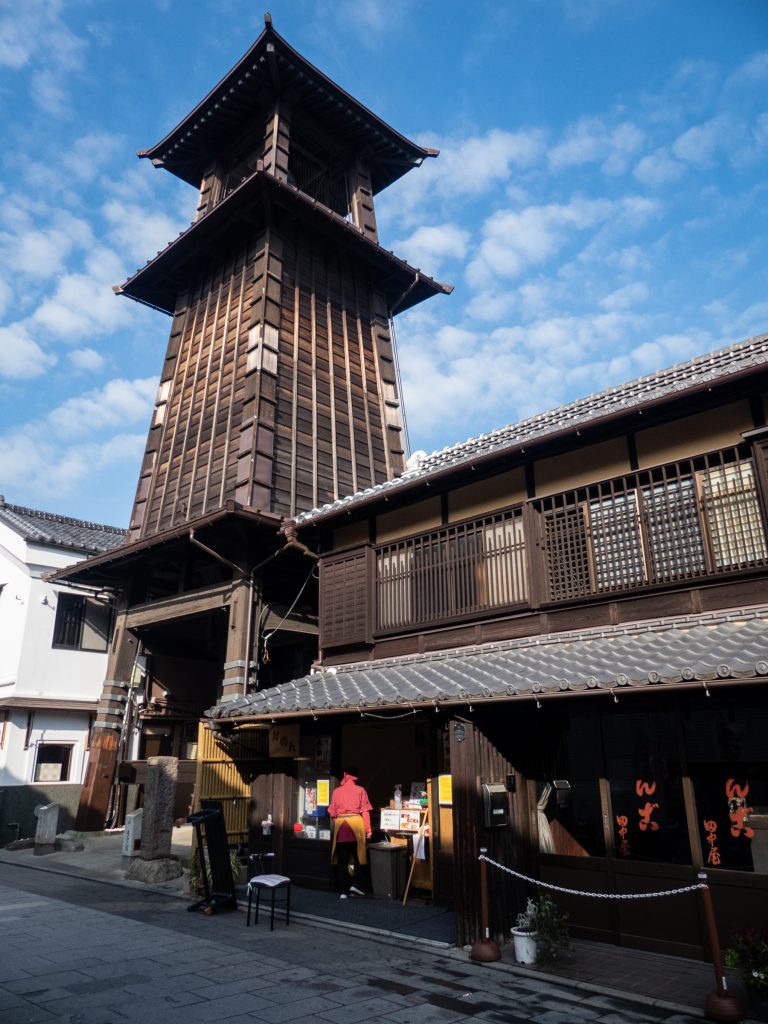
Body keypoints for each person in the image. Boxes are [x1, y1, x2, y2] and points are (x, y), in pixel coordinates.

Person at [328, 766, 372, 898]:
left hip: (341, 827)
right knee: (359, 859)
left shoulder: (336, 791)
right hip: (356, 826)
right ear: (356, 777)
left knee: (343, 861)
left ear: (345, 775)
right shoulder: (360, 790)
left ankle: (343, 892)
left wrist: (339, 826)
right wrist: (368, 830)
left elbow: (333, 814)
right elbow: (365, 812)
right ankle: (356, 885)